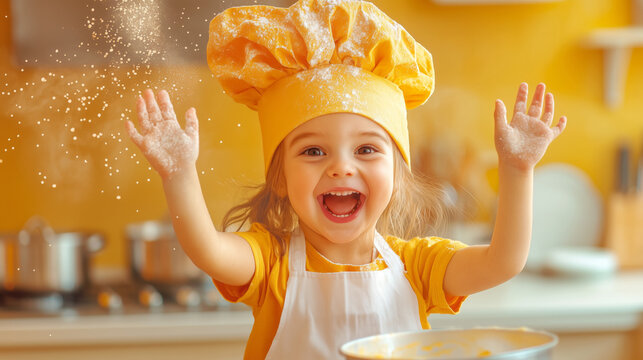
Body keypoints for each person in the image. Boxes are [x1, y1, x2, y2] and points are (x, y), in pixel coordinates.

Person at [125, 0, 567, 359]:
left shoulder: (418, 268)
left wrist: (518, 170)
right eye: (313, 151)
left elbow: (503, 261)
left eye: (367, 149)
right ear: (279, 178)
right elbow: (208, 250)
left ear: (397, 171)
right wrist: (179, 172)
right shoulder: (271, 263)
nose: (341, 167)